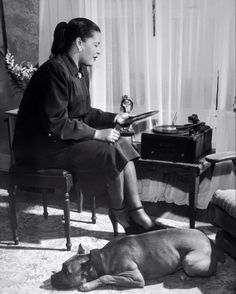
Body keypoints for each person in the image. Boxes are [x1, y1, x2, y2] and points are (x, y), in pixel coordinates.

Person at [13, 17, 157, 234]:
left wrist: (114, 118)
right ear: (79, 43)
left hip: (59, 141)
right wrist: (98, 134)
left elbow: (84, 113)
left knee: (122, 144)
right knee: (109, 149)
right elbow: (56, 123)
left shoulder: (79, 70)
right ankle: (120, 214)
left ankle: (137, 212)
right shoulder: (54, 70)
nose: (99, 51)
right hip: (40, 148)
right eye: (96, 44)